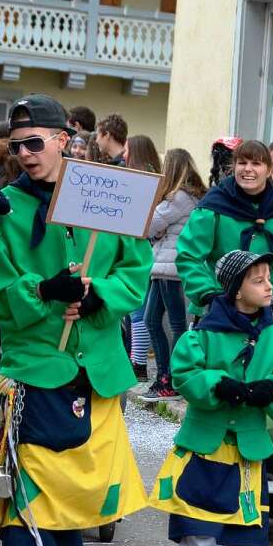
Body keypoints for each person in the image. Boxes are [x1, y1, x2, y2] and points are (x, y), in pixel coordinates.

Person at [0, 93, 151, 546]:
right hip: (34, 360)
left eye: (34, 142)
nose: (24, 153)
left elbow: (135, 269)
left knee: (79, 475)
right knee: (31, 467)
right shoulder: (0, 209)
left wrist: (100, 295)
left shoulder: (107, 197)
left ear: (63, 141)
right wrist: (45, 289)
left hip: (94, 363)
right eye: (14, 144)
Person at [148, 250, 273, 546]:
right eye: (258, 280)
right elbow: (185, 372)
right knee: (199, 513)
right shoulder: (203, 331)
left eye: (269, 278)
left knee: (239, 519)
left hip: (248, 445)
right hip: (206, 440)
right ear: (236, 290)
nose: (269, 286)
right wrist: (217, 384)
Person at [177, 139, 273, 319]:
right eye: (242, 163)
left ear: (269, 170)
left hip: (270, 310)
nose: (248, 169)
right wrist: (207, 293)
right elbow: (189, 256)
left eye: (256, 163)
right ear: (234, 167)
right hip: (218, 308)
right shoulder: (212, 208)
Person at [140, 148, 206, 402]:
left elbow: (148, 225)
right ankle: (168, 377)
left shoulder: (177, 198)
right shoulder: (190, 197)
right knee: (153, 321)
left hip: (171, 269)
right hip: (167, 267)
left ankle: (172, 379)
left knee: (173, 323)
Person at [124, 134, 163, 380]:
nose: (124, 154)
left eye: (128, 150)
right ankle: (136, 360)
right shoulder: (152, 178)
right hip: (144, 248)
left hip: (143, 249)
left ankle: (138, 363)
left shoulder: (141, 181)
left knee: (139, 311)